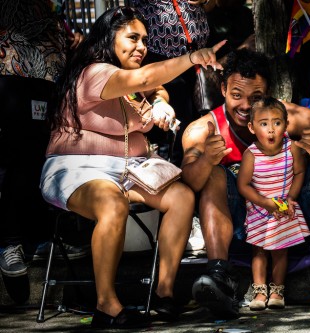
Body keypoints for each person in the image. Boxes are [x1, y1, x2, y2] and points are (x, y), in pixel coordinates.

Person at [39, 6, 224, 329]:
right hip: (79, 168)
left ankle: (163, 292)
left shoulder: (128, 83)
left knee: (180, 197)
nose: (141, 46)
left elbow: (153, 85)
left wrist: (161, 102)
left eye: (144, 40)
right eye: (132, 38)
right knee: (112, 201)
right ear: (109, 39)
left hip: (131, 168)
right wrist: (192, 58)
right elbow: (146, 76)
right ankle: (106, 305)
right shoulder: (95, 71)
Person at [181, 48, 310, 318]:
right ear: (222, 89)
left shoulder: (294, 119)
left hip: (295, 223)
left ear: (269, 93)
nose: (244, 106)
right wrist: (207, 159)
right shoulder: (202, 129)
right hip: (244, 233)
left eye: (256, 97)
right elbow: (189, 184)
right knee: (212, 175)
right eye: (236, 95)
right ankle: (218, 275)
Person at [0, 0, 84, 303]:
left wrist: (66, 34)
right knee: (19, 156)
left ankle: (38, 237)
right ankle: (10, 242)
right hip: (12, 68)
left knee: (39, 155)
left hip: (47, 72)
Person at [237, 97, 310, 311]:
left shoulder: (291, 149)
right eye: (264, 124)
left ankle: (277, 290)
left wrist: (290, 198)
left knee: (281, 251)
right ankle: (260, 291)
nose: (271, 130)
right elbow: (243, 185)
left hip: (284, 210)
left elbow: (299, 173)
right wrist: (264, 203)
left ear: (286, 125)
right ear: (251, 127)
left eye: (277, 123)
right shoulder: (251, 155)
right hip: (260, 209)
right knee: (259, 251)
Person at [130, 0, 211, 166]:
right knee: (172, 119)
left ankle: (191, 165)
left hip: (194, 55)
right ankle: (171, 166)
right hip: (161, 55)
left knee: (196, 117)